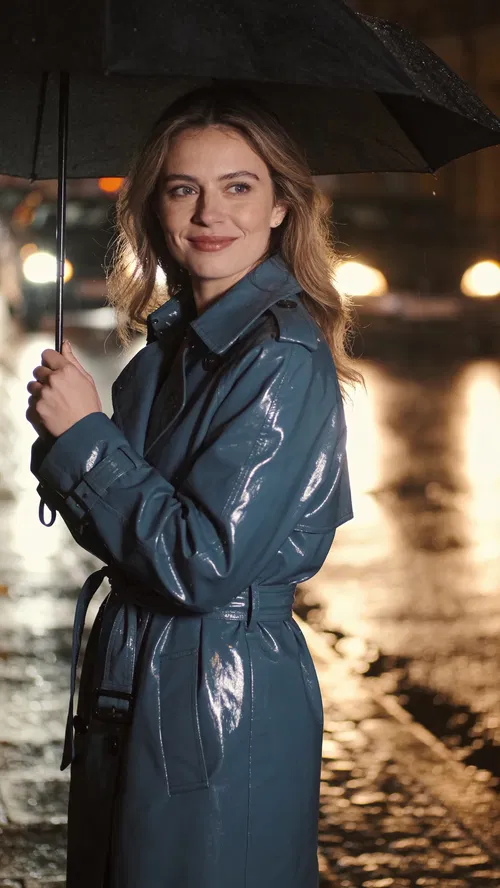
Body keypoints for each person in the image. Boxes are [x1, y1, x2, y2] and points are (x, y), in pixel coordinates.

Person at [26, 86, 360, 888]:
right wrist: (71, 439)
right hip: (141, 666)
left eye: (238, 187)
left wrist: (84, 439)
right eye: (184, 188)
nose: (211, 213)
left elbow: (202, 562)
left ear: (281, 205)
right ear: (157, 208)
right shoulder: (169, 350)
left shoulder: (279, 356)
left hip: (220, 687)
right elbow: (123, 527)